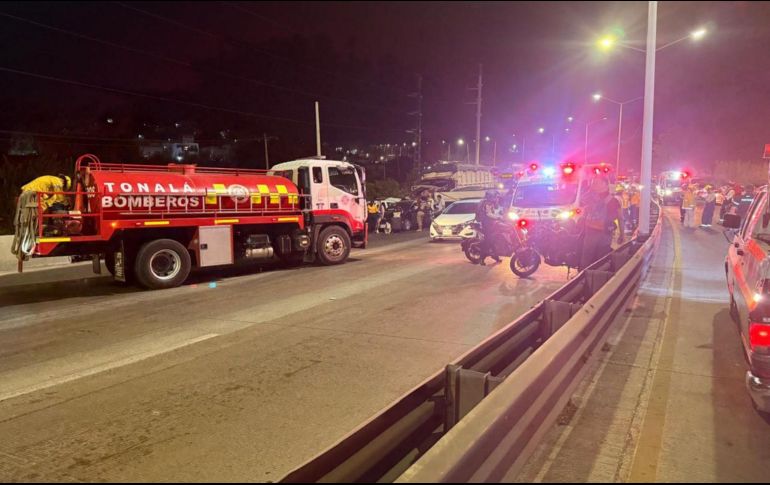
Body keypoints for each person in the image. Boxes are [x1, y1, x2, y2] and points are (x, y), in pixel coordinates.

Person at [579, 176, 622, 271]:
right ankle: (593, 276)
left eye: (596, 183)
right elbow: (620, 218)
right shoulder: (610, 199)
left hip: (599, 234)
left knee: (590, 259)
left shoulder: (611, 200)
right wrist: (621, 234)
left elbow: (619, 217)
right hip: (599, 233)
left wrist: (622, 234)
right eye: (593, 183)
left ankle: (587, 277)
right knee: (598, 260)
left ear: (606, 185)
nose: (593, 185)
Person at [475, 192, 504, 266]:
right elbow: (489, 214)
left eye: (497, 197)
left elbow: (495, 211)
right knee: (488, 241)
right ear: (491, 197)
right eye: (495, 197)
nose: (496, 198)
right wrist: (498, 217)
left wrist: (501, 215)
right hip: (486, 225)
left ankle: (495, 256)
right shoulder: (487, 204)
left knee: (493, 240)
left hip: (491, 224)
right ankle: (481, 259)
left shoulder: (491, 203)